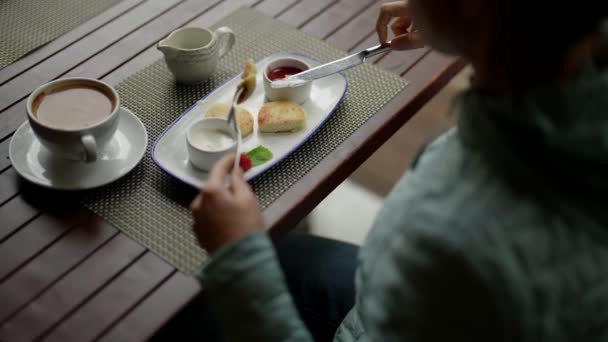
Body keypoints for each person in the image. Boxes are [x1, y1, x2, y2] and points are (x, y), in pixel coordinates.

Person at [190, 0, 608, 340]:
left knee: (193, 309)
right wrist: (476, 37)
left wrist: (239, 259)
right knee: (287, 254)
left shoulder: (444, 242)